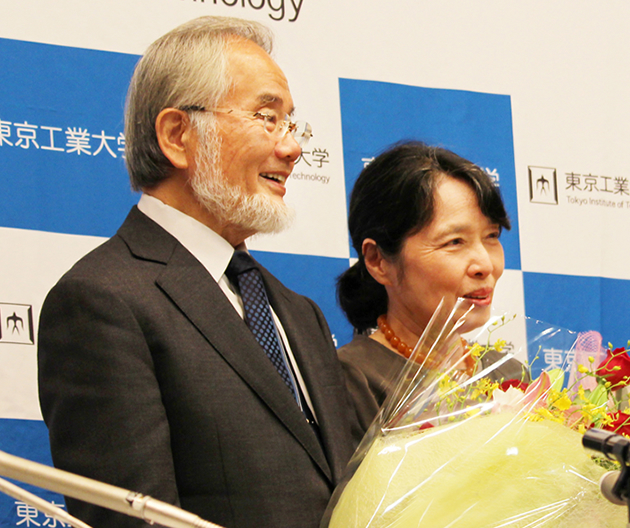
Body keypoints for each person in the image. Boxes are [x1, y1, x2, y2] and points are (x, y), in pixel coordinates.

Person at [37, 16, 356, 528]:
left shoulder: (299, 313)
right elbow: (134, 519)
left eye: (291, 123)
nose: (293, 148)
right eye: (266, 118)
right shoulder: (101, 301)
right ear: (178, 135)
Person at [337, 142, 525, 437]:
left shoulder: (509, 374)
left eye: (491, 236)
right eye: (454, 242)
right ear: (378, 261)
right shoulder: (349, 380)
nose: (485, 265)